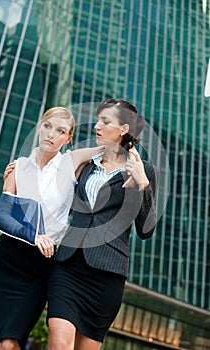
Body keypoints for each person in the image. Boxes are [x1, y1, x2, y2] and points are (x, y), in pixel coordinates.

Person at [0, 106, 103, 350]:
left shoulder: (71, 162)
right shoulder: (19, 166)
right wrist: (35, 236)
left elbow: (110, 147)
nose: (52, 134)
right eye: (47, 126)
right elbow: (2, 217)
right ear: (38, 128)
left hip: (38, 267)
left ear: (68, 138)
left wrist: (123, 128)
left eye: (60, 131)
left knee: (9, 345)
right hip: (7, 260)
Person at [47, 99, 159, 350]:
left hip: (106, 275)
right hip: (68, 266)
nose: (97, 126)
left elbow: (146, 229)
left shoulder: (145, 171)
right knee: (59, 342)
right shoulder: (87, 163)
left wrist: (143, 184)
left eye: (105, 121)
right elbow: (50, 174)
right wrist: (20, 171)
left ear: (123, 129)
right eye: (98, 120)